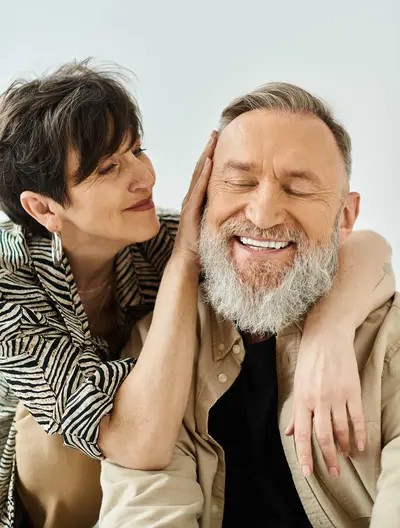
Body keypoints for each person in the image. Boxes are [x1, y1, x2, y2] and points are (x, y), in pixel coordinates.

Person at [0, 65, 393, 528]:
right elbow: (137, 446)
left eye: (136, 151)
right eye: (107, 168)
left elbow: (355, 244)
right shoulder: (10, 287)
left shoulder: (156, 237)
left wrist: (329, 334)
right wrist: (185, 261)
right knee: (53, 441)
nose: (144, 178)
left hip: (144, 433)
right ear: (43, 207)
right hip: (57, 473)